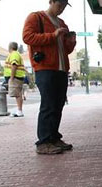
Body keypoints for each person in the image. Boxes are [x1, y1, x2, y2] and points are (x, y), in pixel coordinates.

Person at [23, 0, 75, 155]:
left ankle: (53, 137)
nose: (62, 8)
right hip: (45, 68)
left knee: (58, 104)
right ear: (51, 2)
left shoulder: (62, 23)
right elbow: (27, 37)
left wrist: (70, 43)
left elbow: (65, 49)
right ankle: (43, 141)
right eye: (60, 5)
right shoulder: (36, 17)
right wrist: (53, 35)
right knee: (48, 104)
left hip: (61, 69)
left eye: (65, 6)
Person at [4, 42, 26, 117]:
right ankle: (19, 110)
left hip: (16, 77)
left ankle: (19, 111)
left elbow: (14, 65)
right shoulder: (15, 54)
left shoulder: (14, 54)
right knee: (18, 93)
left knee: (17, 94)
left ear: (10, 47)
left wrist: (12, 77)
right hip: (17, 76)